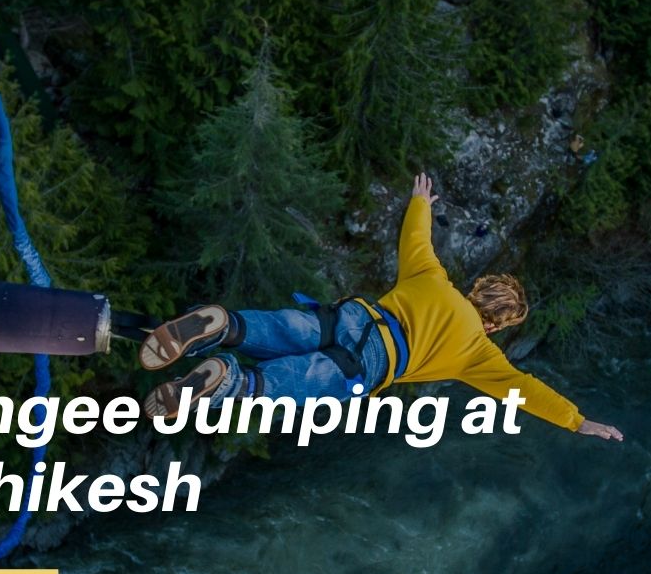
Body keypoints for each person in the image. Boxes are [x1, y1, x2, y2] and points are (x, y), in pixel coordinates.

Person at [140, 173, 623, 441]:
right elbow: (523, 390)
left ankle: (224, 324)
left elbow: (416, 238)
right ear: (496, 325)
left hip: (354, 317)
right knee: (282, 384)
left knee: (286, 328)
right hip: (372, 363)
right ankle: (229, 379)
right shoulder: (479, 354)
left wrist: (421, 201)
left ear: (477, 289)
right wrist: (578, 421)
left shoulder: (432, 278)